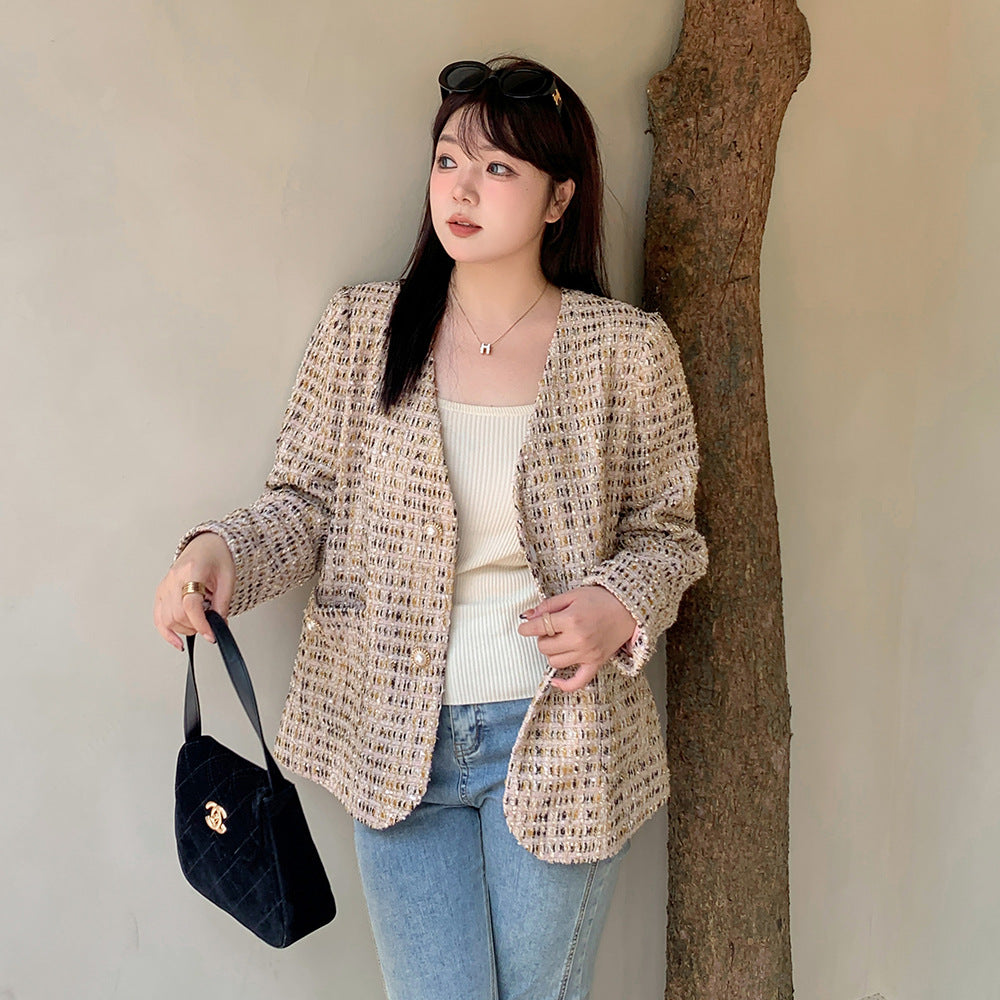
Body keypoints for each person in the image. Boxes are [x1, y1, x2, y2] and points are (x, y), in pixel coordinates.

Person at [154, 55, 708, 1000]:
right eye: (449, 159)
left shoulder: (625, 349)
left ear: (559, 198)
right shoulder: (363, 330)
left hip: (559, 739)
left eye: (499, 168)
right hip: (394, 736)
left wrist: (618, 605)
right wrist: (217, 554)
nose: (463, 188)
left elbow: (670, 532)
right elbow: (306, 504)